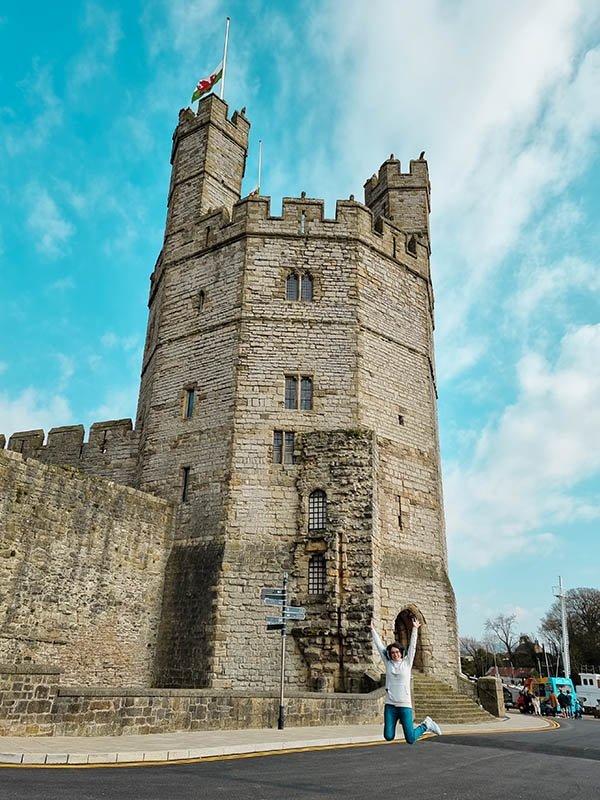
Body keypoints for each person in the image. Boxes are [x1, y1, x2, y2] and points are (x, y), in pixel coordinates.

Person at [371, 617, 441, 744]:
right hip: (390, 705)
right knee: (388, 736)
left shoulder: (407, 663)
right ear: (390, 654)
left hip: (404, 704)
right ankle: (424, 725)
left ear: (401, 652)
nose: (395, 654)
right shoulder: (388, 663)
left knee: (411, 739)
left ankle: (426, 725)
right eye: (392, 653)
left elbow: (413, 647)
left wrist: (415, 629)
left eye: (397, 652)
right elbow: (379, 646)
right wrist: (372, 630)